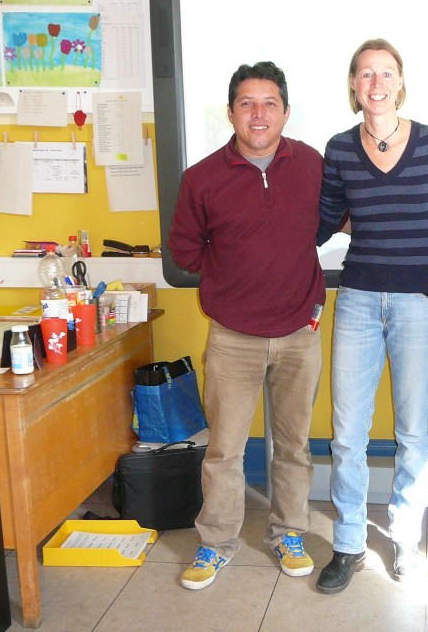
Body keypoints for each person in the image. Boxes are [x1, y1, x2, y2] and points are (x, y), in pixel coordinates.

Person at [168, 61, 325, 590]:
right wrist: (232, 278)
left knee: (294, 445)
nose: (259, 114)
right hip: (232, 338)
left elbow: (327, 225)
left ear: (286, 111)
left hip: (299, 333)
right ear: (231, 112)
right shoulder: (202, 177)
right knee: (224, 451)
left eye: (269, 103)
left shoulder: (312, 164)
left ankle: (289, 533)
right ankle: (215, 543)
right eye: (247, 104)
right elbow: (185, 249)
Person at [315, 38, 428, 594]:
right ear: (354, 85)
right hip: (357, 299)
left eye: (386, 73)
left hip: (418, 301)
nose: (376, 83)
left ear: (401, 82)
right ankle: (349, 542)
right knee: (347, 434)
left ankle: (405, 538)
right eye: (366, 74)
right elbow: (324, 219)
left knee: (413, 434)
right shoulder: (339, 148)